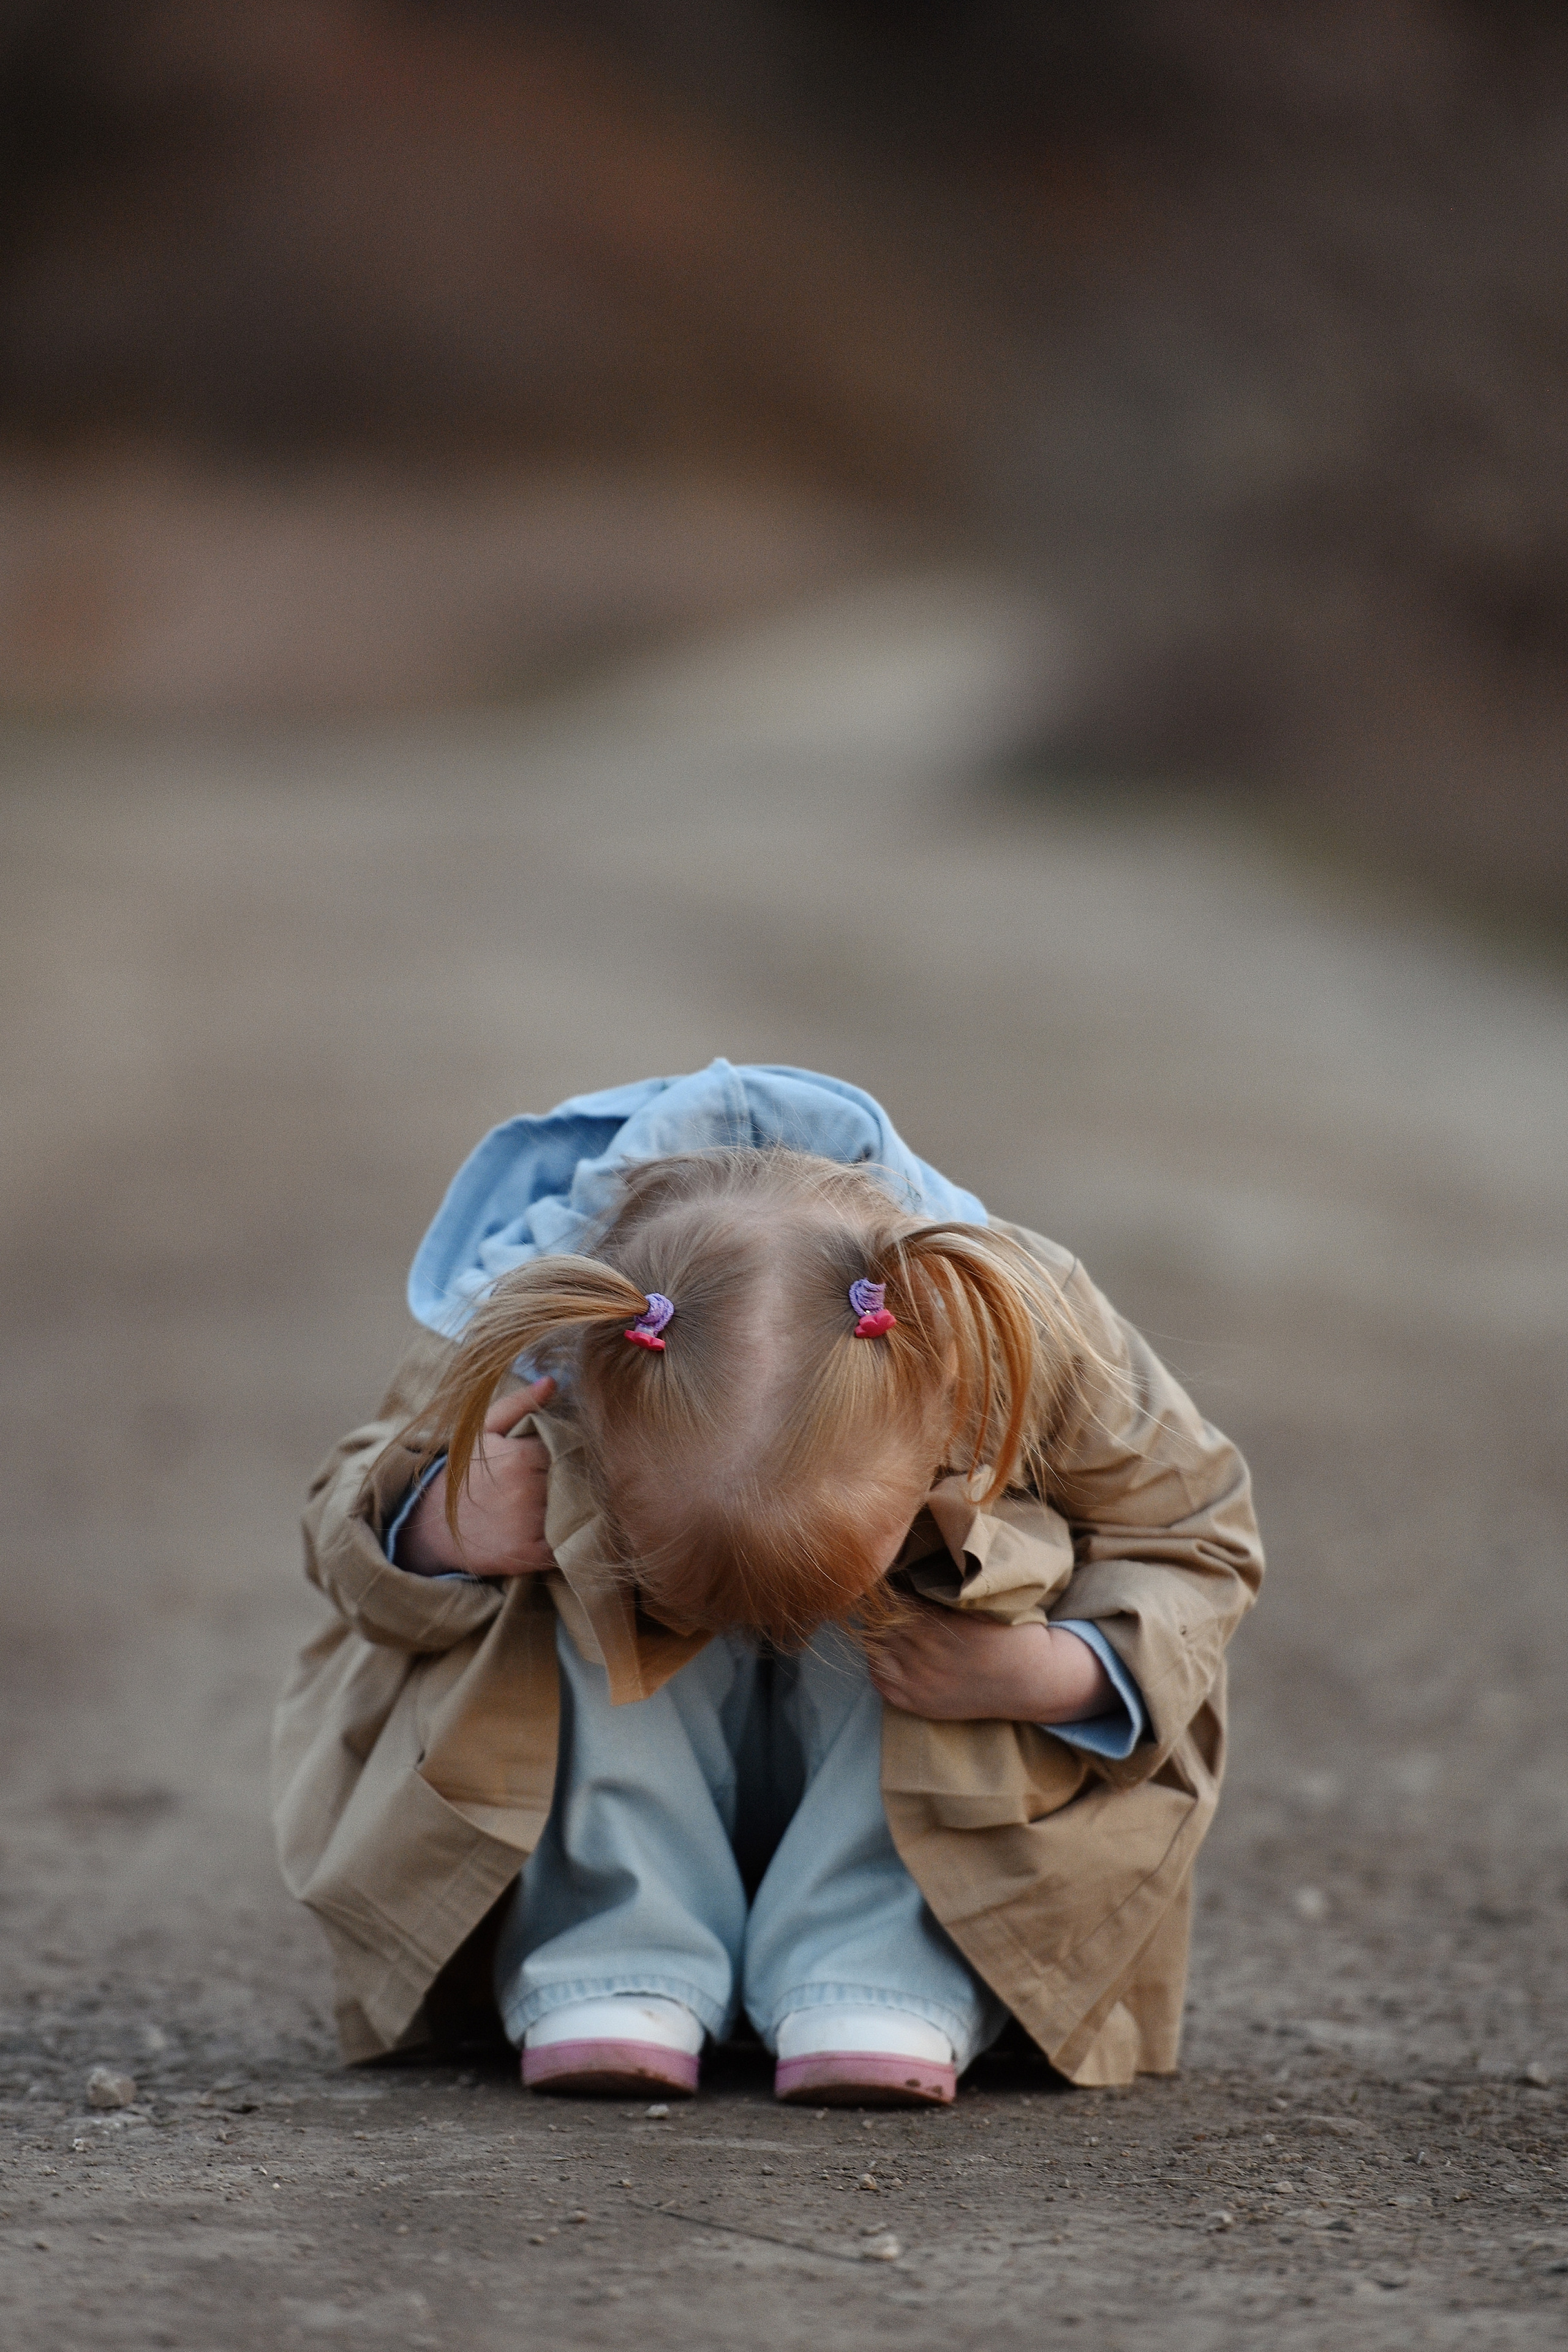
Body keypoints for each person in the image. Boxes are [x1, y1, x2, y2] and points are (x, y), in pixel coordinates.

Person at [273, 1061, 1263, 2106]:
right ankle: (616, 1945)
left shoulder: (1011, 1324)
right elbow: (340, 1513)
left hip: (914, 1742)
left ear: (931, 1399)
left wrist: (1057, 1673)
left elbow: (1198, 1532)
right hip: (619, 1757)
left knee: (983, 1558)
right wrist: (435, 1523)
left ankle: (880, 1962)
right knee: (540, 1518)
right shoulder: (532, 1325)